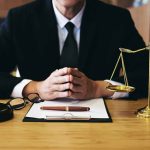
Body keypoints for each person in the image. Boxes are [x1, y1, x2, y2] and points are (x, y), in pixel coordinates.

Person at [0, 0, 148, 100]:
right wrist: (36, 88)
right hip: (33, 126)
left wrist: (98, 88)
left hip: (104, 126)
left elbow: (145, 72)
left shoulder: (117, 19)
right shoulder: (18, 19)